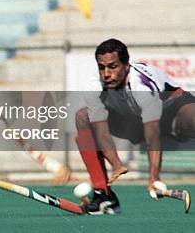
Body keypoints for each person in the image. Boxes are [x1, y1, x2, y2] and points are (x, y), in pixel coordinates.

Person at [74, 38, 195, 215]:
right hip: (133, 121)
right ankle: (103, 195)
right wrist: (116, 164)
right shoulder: (94, 87)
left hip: (172, 110)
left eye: (113, 66)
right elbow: (101, 130)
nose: (106, 73)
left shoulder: (141, 84)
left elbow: (153, 134)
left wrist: (154, 177)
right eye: (102, 67)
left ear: (126, 65)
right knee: (82, 117)